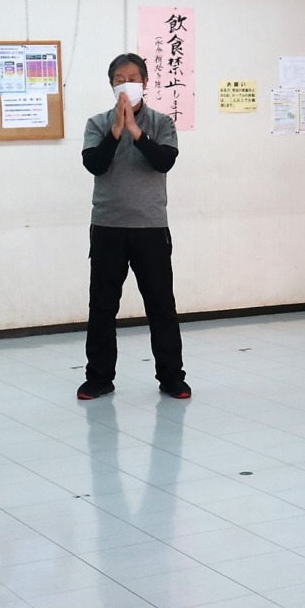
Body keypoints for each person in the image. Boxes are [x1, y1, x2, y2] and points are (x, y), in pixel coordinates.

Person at [79, 52, 189, 400]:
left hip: (150, 228)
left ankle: (172, 377)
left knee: (161, 305)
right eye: (119, 79)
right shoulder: (97, 123)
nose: (126, 84)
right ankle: (99, 377)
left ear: (145, 82)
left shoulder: (161, 123)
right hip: (108, 226)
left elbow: (164, 161)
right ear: (111, 85)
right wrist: (116, 131)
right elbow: (95, 165)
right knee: (102, 307)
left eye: (132, 79)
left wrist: (135, 132)